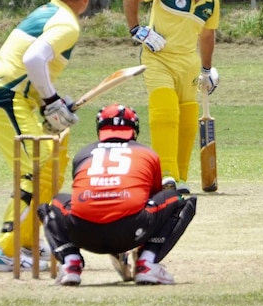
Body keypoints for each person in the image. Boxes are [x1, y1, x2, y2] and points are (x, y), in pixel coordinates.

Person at [0, 0, 96, 272]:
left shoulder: (48, 11)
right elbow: (32, 59)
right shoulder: (67, 23)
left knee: (48, 167)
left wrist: (49, 102)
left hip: (4, 94)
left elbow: (28, 62)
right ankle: (6, 249)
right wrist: (52, 100)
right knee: (38, 171)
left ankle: (26, 242)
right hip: (4, 96)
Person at [37, 103, 197, 286]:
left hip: (83, 233)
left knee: (52, 204)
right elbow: (151, 197)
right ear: (134, 130)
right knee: (178, 199)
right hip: (133, 230)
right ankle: (147, 262)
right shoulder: (147, 153)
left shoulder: (83, 153)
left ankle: (70, 262)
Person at [121, 0, 237, 187]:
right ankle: (166, 175)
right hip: (158, 59)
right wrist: (137, 30)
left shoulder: (211, 1)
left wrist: (207, 69)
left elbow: (207, 36)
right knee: (165, 113)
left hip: (188, 64)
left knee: (187, 120)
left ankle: (181, 178)